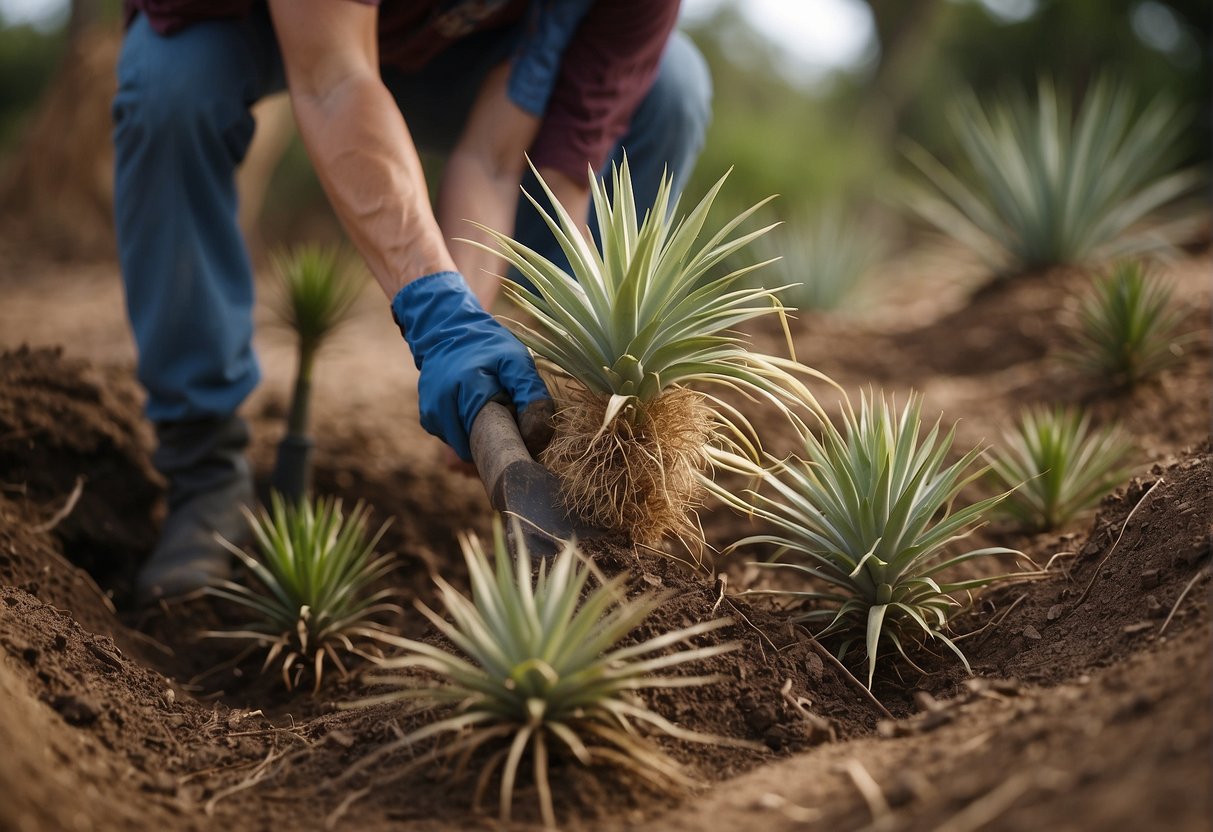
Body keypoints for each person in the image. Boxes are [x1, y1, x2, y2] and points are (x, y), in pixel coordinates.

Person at [112, 0, 713, 603]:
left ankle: (576, 479)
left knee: (671, 85)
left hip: (454, 54)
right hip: (268, 29)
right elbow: (332, 82)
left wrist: (480, 348)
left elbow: (503, 161)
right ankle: (203, 468)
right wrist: (438, 316)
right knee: (171, 83)